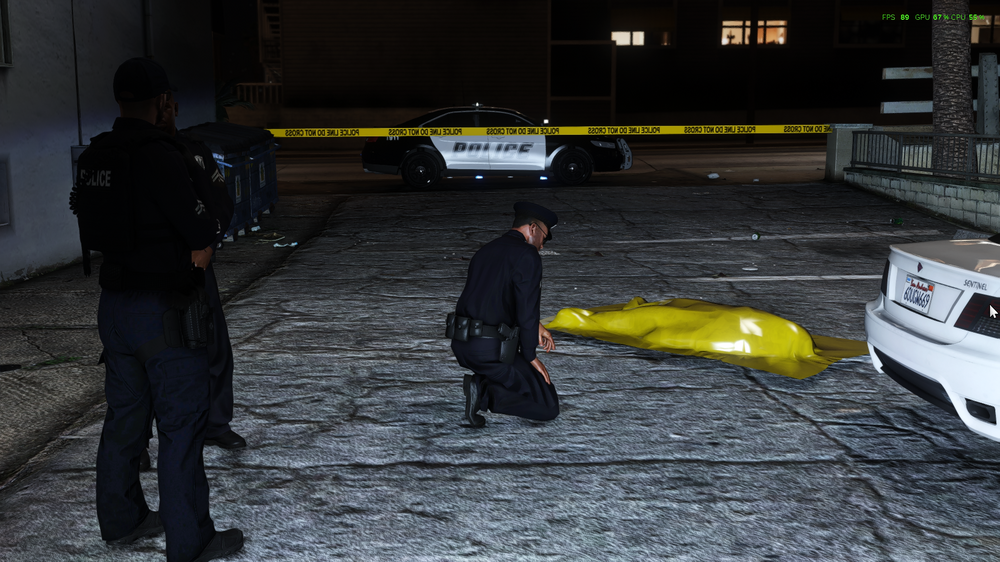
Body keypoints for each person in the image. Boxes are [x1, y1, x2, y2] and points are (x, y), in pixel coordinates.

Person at [73, 57, 243, 562]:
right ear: (164, 101)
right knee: (181, 428)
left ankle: (122, 520)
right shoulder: (162, 154)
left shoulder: (96, 156)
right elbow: (207, 229)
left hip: (116, 307)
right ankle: (190, 542)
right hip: (165, 310)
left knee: (124, 419)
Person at [155, 90, 246, 452]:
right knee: (148, 355)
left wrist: (208, 247)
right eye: (155, 104)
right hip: (147, 269)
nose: (162, 112)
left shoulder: (193, 150)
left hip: (196, 265)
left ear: (175, 106)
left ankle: (215, 424)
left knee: (214, 348)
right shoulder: (133, 154)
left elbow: (222, 203)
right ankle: (140, 442)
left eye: (167, 104)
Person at [449, 202, 560, 426]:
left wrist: (536, 325)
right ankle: (482, 391)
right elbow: (526, 309)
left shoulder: (486, 250)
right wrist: (530, 355)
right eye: (544, 239)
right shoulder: (527, 255)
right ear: (533, 229)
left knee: (529, 385)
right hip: (492, 351)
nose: (542, 246)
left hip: (463, 344)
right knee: (547, 406)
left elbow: (491, 298)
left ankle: (482, 383)